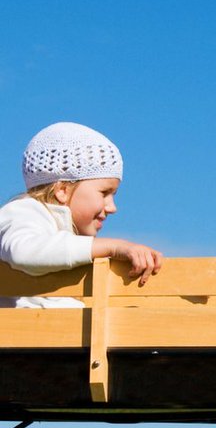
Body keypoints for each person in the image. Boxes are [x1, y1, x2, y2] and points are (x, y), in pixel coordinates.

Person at [0, 121, 163, 308]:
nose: (112, 207)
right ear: (62, 190)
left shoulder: (64, 238)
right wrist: (113, 247)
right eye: (104, 193)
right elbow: (24, 252)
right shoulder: (24, 212)